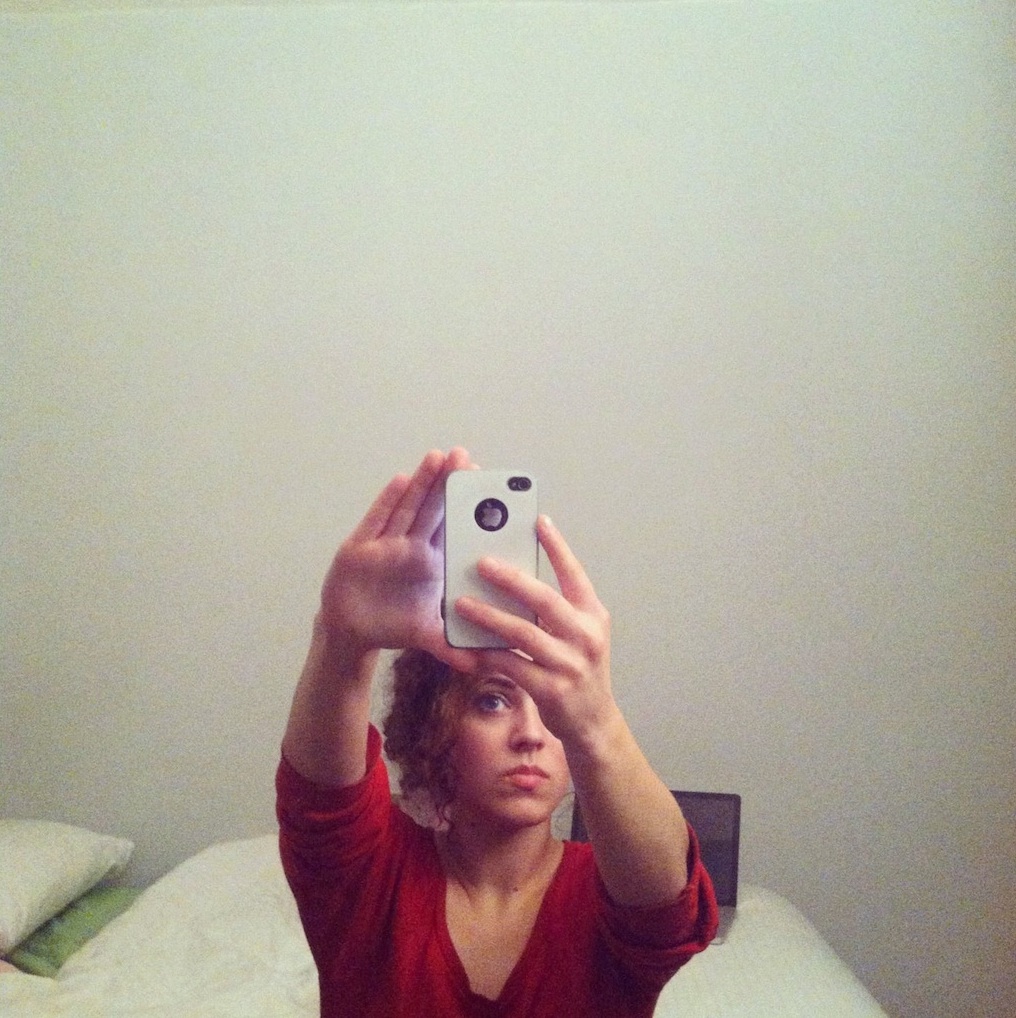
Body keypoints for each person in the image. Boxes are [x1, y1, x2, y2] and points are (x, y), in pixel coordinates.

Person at [277, 448, 717, 1018]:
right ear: (436, 725)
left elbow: (668, 909)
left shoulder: (604, 889)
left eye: (553, 711)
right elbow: (320, 806)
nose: (531, 734)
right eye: (492, 702)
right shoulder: (372, 879)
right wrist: (341, 642)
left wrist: (596, 719)